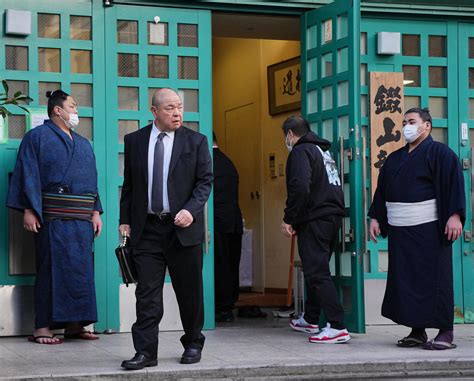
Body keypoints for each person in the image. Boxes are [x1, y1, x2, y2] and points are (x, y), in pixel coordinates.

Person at [119, 88, 212, 369]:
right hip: (147, 230)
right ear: (154, 111)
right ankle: (146, 352)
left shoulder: (195, 141)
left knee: (189, 291)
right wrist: (124, 220)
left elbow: (204, 182)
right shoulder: (134, 141)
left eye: (180, 107)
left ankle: (193, 342)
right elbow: (130, 186)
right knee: (146, 293)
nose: (177, 113)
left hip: (182, 229)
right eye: (170, 107)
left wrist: (190, 210)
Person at [7, 90, 103, 344]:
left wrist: (95, 211)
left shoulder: (83, 143)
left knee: (81, 272)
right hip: (53, 217)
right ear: (57, 110)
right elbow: (26, 173)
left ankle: (75, 325)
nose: (76, 111)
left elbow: (92, 181)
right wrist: (28, 208)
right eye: (73, 106)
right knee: (51, 270)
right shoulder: (36, 137)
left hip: (81, 219)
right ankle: (42, 328)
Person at [368, 108, 465, 350]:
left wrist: (454, 215)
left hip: (430, 228)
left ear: (427, 126)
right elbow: (383, 190)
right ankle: (417, 330)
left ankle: (445, 331)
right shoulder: (395, 158)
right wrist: (376, 217)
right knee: (406, 278)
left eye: (412, 121)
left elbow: (454, 184)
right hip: (402, 230)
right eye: (404, 122)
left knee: (436, 278)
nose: (406, 126)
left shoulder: (441, 154)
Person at [280, 115, 350, 344]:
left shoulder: (301, 152)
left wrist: (289, 218)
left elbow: (300, 186)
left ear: (290, 134)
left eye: (285, 137)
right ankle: (310, 318)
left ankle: (337, 325)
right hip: (331, 215)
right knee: (315, 268)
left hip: (316, 217)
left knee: (317, 272)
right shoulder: (322, 151)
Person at [212, 132, 243, 323]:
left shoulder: (208, 162)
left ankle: (220, 307)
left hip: (217, 221)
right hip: (233, 219)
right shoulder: (227, 162)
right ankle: (228, 306)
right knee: (231, 265)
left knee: (220, 265)